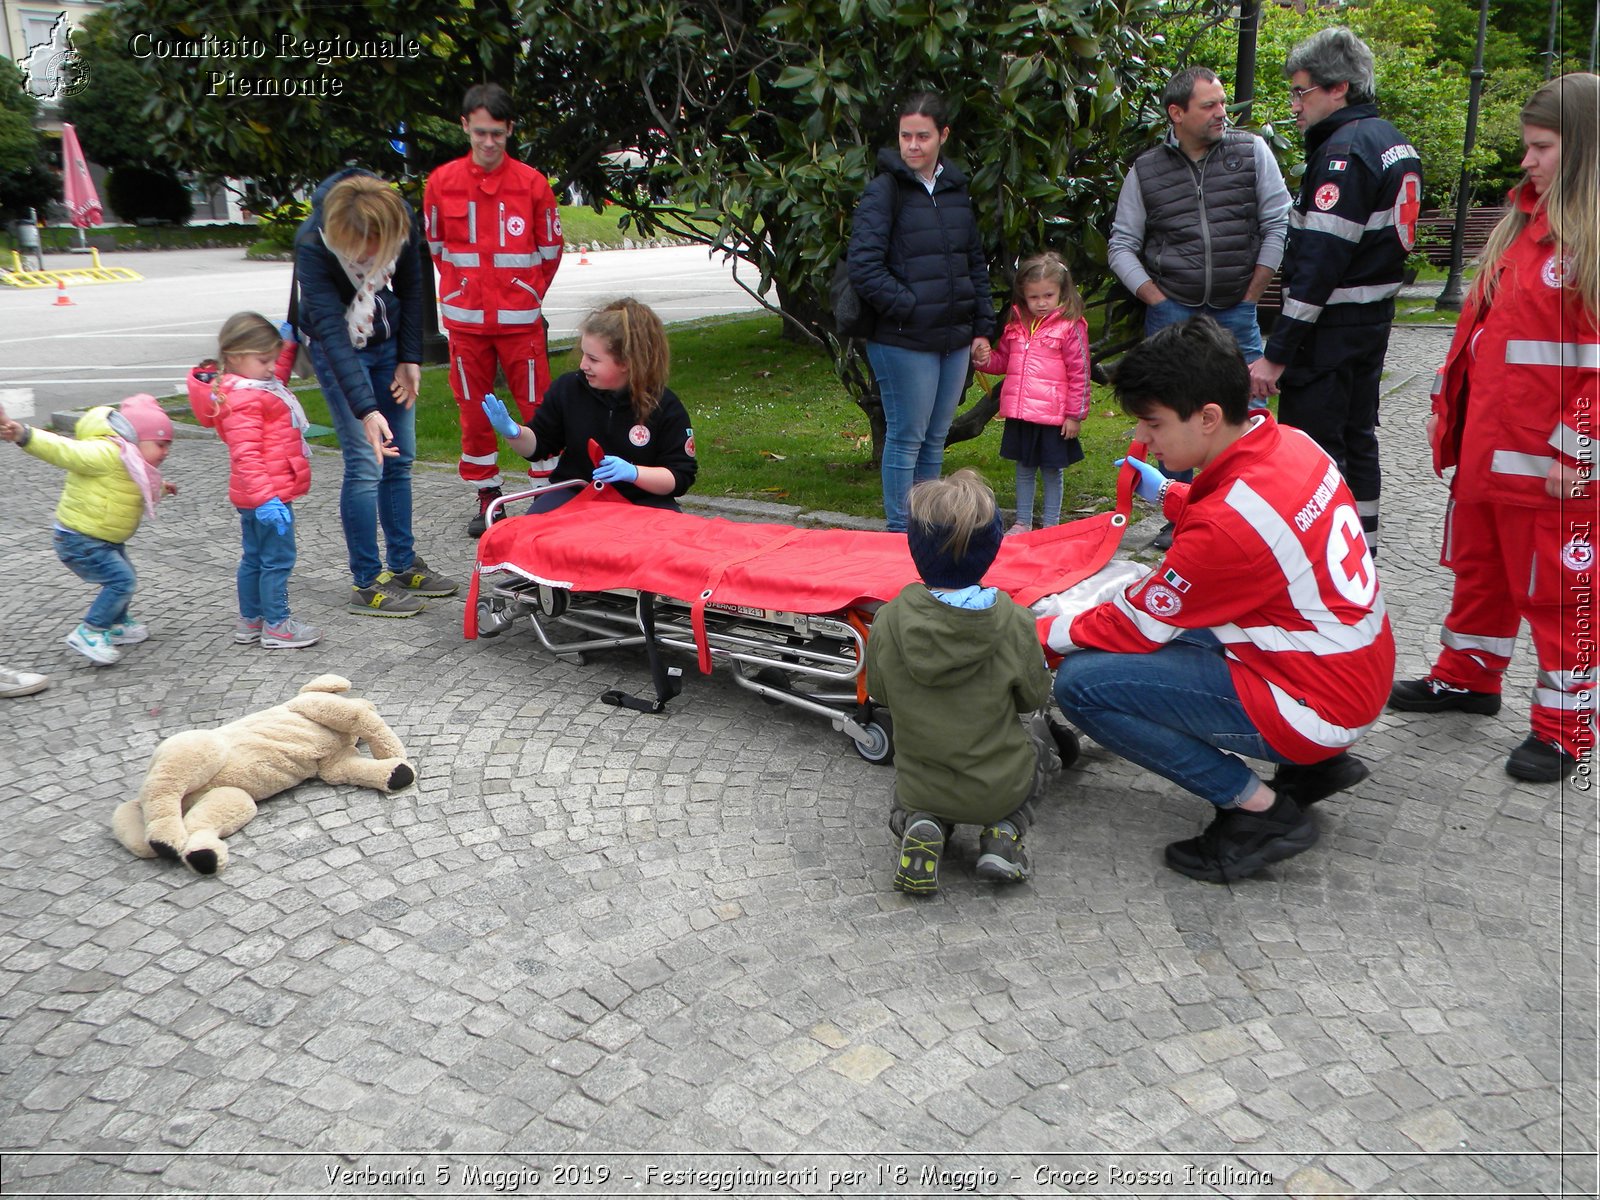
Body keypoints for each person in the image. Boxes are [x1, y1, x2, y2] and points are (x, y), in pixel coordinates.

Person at [1047, 317, 1394, 883]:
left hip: (1316, 702)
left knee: (1082, 685)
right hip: (1355, 669)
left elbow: (1136, 625)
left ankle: (1259, 813)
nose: (1144, 439)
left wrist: (1033, 635)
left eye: (1153, 424)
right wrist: (1171, 494)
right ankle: (1314, 768)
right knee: (1188, 623)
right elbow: (1253, 533)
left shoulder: (1230, 525)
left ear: (1208, 416)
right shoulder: (1293, 442)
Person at [1389, 73, 1600, 783]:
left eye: (1541, 147)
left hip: (1552, 464)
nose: (1526, 161)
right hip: (1492, 450)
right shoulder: (1526, 228)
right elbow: (1485, 343)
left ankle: (1567, 728)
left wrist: (1579, 449)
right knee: (1479, 573)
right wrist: (1448, 418)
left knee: (1557, 592)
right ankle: (1468, 676)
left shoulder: (1588, 242)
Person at [1247, 28, 1421, 554]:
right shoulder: (1391, 141)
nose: (1294, 106)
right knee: (1358, 439)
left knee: (1313, 453)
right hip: (1372, 323)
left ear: (1338, 87)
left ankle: (1320, 566)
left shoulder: (1343, 152)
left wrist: (1277, 354)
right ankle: (1360, 554)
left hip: (1329, 332)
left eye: (1301, 92)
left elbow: (1318, 265)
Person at [1110, 65, 1292, 549]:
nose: (1222, 113)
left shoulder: (1251, 152)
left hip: (1237, 308)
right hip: (1172, 311)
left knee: (1248, 411)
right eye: (1209, 105)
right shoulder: (1146, 169)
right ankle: (1185, 515)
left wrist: (1253, 293)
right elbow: (1122, 245)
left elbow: (1278, 223)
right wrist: (1155, 297)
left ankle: (1255, 508)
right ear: (1177, 113)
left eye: (1223, 102)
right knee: (1175, 412)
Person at [864, 469, 1058, 893]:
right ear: (992, 552)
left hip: (923, 786)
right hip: (998, 788)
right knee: (1044, 751)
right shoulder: (1015, 622)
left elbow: (878, 691)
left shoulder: (889, 620)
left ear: (915, 549)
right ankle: (1004, 834)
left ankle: (922, 826)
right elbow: (1032, 698)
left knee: (908, 802)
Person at [293, 168, 458, 618]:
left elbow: (411, 288)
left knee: (400, 457)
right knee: (367, 462)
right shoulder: (313, 243)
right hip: (340, 350)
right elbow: (329, 329)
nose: (367, 257)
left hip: (386, 344)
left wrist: (410, 358)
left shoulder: (398, 220)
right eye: (360, 248)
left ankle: (402, 565)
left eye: (375, 246)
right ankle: (367, 582)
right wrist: (365, 410)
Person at [847, 91, 994, 532]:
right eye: (905, 136)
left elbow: (974, 262)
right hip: (903, 339)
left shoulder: (955, 190)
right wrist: (910, 308)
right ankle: (899, 530)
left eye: (923, 137)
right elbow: (864, 267)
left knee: (933, 441)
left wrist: (981, 327)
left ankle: (926, 529)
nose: (913, 145)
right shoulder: (884, 190)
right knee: (907, 438)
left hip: (953, 338)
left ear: (943, 136)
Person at [425, 82, 565, 537]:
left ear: (510, 132)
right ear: (465, 126)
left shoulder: (532, 184)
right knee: (473, 410)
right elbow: (438, 248)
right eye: (481, 133)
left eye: (498, 135)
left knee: (537, 406)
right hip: (466, 326)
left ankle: (546, 491)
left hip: (520, 324)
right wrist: (463, 291)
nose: (488, 143)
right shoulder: (441, 183)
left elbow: (550, 249)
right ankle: (487, 495)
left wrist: (525, 292)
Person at [0, 395, 177, 666]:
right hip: (80, 538)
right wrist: (25, 434)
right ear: (136, 439)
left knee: (124, 578)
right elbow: (65, 450)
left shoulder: (134, 462)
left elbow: (135, 486)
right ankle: (91, 631)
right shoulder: (106, 453)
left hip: (105, 537)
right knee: (122, 581)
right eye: (160, 444)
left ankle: (116, 624)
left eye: (168, 446)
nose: (165, 452)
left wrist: (163, 488)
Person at [479, 299, 696, 512]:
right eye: (584, 354)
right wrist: (514, 433)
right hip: (578, 492)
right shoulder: (568, 389)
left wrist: (633, 473)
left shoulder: (664, 405)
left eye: (593, 359)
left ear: (627, 363)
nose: (583, 365)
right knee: (530, 533)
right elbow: (538, 447)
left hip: (643, 500)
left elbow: (679, 477)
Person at [186, 312, 321, 650]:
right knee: (277, 560)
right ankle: (277, 625)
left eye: (273, 359)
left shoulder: (241, 386)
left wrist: (286, 348)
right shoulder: (246, 399)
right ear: (235, 356)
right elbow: (245, 455)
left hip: (255, 494)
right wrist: (266, 499)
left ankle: (251, 619)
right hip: (268, 494)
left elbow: (274, 384)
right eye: (264, 360)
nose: (271, 368)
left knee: (254, 558)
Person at [972, 252, 1091, 534]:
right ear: (1023, 296)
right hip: (1022, 413)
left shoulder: (1070, 328)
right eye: (1034, 297)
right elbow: (1005, 362)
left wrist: (1074, 415)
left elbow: (1080, 373)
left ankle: (1051, 524)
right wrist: (986, 360)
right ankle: (1023, 522)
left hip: (1053, 415)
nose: (1041, 303)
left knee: (1052, 471)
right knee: (1024, 468)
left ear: (1062, 292)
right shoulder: (1016, 326)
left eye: (1048, 295)